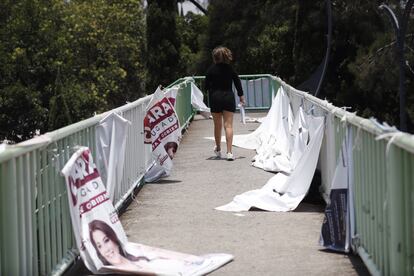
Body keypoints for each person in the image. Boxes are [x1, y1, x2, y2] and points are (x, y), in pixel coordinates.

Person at [205, 46, 245, 161]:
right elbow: (237, 83)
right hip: (228, 97)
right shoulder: (230, 69)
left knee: (217, 126)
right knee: (228, 125)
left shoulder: (210, 70)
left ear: (215, 58)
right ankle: (229, 152)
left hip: (215, 98)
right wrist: (241, 96)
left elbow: (206, 86)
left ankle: (218, 149)